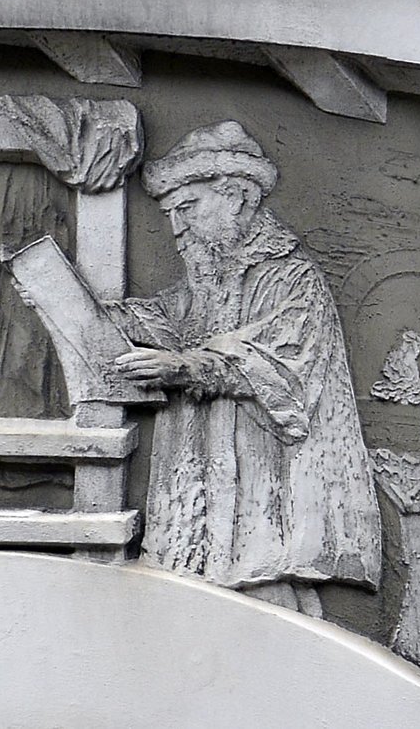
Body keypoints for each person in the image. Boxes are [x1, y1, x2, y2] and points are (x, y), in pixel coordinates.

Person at [110, 120, 380, 615]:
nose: (176, 228)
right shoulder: (209, 280)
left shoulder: (292, 278)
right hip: (203, 484)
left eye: (187, 209)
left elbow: (280, 367)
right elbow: (172, 319)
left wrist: (188, 369)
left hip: (261, 493)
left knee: (267, 604)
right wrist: (102, 314)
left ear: (235, 197)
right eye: (170, 214)